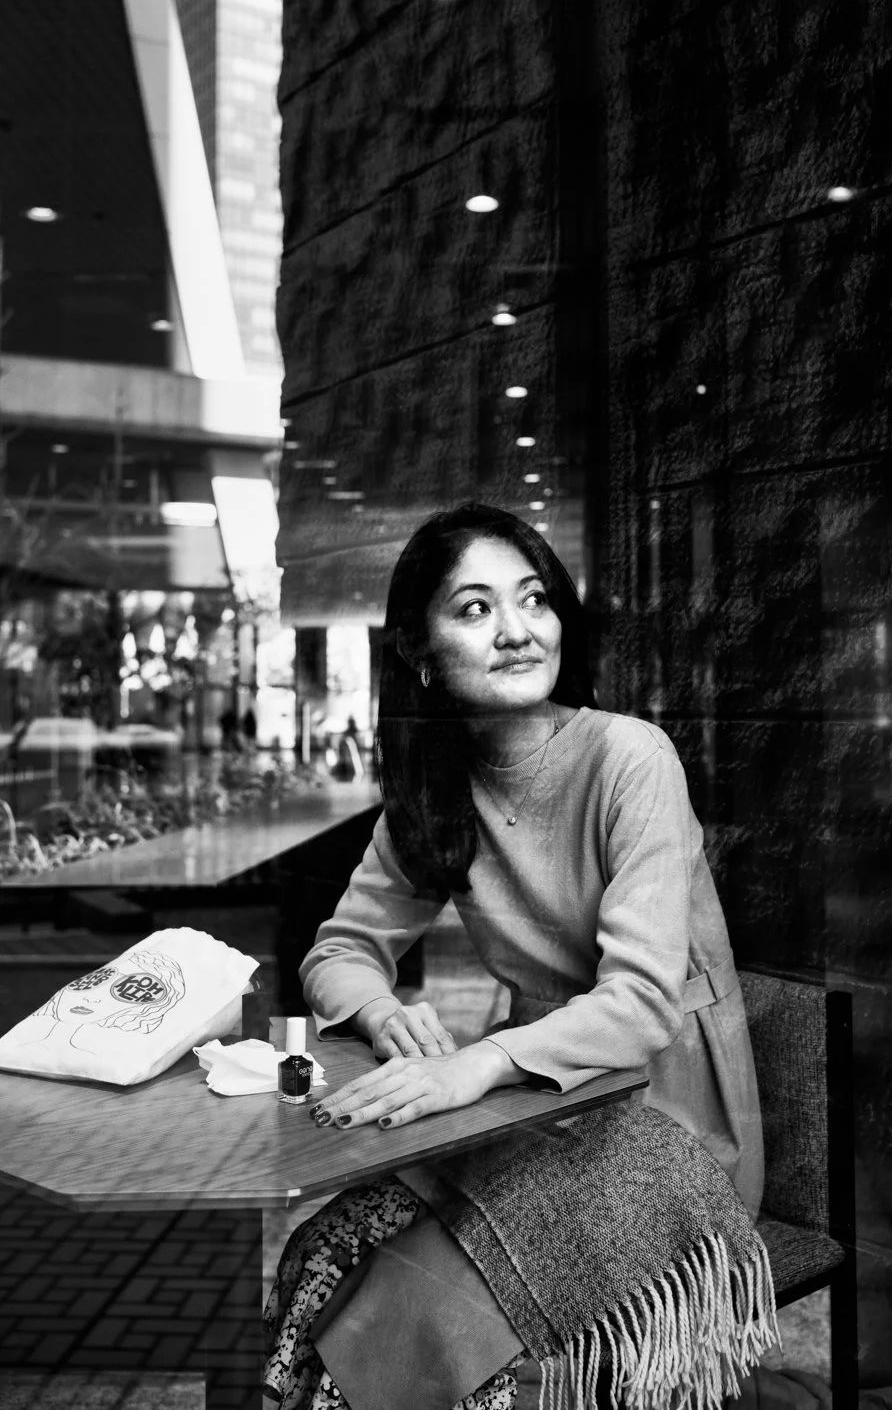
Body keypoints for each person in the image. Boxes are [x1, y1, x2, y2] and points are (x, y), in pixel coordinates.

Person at [263, 503, 765, 1410]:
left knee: (423, 1306)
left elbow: (645, 1003)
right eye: (475, 610)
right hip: (522, 1109)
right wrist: (382, 1012)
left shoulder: (631, 757)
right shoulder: (433, 791)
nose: (518, 631)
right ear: (420, 649)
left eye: (534, 600)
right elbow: (338, 951)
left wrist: (474, 1065)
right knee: (324, 1253)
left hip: (663, 1113)